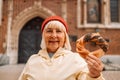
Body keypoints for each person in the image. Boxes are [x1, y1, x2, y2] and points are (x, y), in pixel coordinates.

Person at [18, 16, 105, 80]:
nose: (54, 35)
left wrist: (95, 76)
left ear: (65, 37)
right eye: (49, 31)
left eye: (59, 31)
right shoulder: (32, 60)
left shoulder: (75, 59)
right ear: (43, 36)